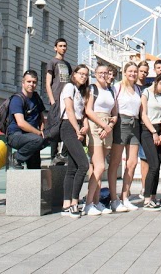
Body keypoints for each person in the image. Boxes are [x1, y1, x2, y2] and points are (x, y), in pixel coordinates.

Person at [83, 64, 118, 216]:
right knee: (99, 166)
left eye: (106, 73)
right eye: (100, 73)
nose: (103, 75)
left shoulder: (111, 90)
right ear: (95, 74)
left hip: (107, 126)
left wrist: (109, 125)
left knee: (98, 167)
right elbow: (88, 110)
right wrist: (103, 125)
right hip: (95, 125)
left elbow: (115, 113)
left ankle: (96, 202)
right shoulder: (92, 89)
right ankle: (88, 203)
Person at [108, 61, 142, 212]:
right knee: (115, 162)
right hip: (121, 122)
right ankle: (113, 198)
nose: (133, 74)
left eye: (135, 71)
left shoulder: (138, 89)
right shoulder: (118, 87)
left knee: (132, 162)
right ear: (124, 72)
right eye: (130, 71)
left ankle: (125, 197)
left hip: (135, 124)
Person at [59, 65, 90, 218]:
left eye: (86, 75)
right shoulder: (69, 87)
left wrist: (84, 125)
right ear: (74, 74)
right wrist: (77, 129)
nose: (83, 77)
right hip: (68, 126)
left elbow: (81, 113)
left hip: (76, 126)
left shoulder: (80, 91)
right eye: (81, 74)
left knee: (72, 168)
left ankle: (66, 204)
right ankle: (74, 202)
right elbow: (69, 109)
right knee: (84, 165)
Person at [138, 73, 161, 210]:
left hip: (159, 130)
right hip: (147, 130)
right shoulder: (146, 93)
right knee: (153, 164)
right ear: (159, 82)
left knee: (158, 165)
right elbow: (143, 114)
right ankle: (146, 198)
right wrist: (153, 132)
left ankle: (152, 196)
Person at [7, 70, 48, 170]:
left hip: (32, 137)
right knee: (38, 139)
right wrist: (38, 133)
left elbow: (41, 117)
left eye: (34, 82)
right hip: (16, 135)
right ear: (23, 83)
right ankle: (16, 157)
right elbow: (21, 123)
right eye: (29, 81)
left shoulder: (36, 98)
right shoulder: (17, 99)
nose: (31, 84)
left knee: (51, 135)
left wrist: (42, 130)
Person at [44, 38, 72, 165]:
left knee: (68, 126)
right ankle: (53, 156)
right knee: (55, 128)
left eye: (65, 46)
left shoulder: (67, 64)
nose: (63, 48)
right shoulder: (52, 62)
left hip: (67, 100)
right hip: (56, 99)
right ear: (55, 47)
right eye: (60, 46)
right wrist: (52, 100)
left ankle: (63, 155)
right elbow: (48, 83)